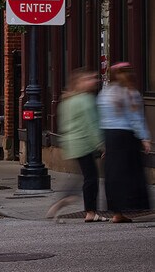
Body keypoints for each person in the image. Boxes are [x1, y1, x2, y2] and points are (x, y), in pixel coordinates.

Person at [98, 63, 152, 223]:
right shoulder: (130, 93)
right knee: (129, 173)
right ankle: (128, 208)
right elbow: (135, 118)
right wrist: (145, 138)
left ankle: (117, 212)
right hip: (126, 136)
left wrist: (104, 143)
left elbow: (101, 117)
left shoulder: (105, 93)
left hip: (110, 136)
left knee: (114, 174)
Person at [50, 70, 106, 222]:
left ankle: (63, 201)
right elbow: (92, 125)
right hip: (84, 143)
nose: (94, 81)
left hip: (72, 143)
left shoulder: (67, 100)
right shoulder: (85, 100)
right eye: (89, 79)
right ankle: (90, 211)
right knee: (91, 178)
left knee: (83, 176)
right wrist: (101, 145)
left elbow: (63, 124)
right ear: (80, 83)